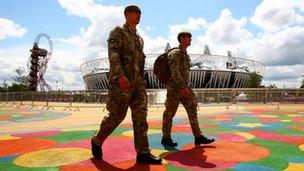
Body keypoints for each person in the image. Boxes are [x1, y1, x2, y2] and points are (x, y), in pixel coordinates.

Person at [91, 5, 162, 164]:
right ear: (127, 14)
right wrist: (120, 76)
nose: (139, 16)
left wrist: (142, 82)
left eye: (140, 14)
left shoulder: (139, 38)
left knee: (141, 118)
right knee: (117, 116)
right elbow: (113, 54)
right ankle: (97, 140)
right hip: (121, 83)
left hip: (137, 85)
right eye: (136, 13)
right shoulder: (118, 32)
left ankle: (143, 152)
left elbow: (141, 62)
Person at [161, 32, 215, 147]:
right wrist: (182, 87)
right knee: (169, 114)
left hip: (185, 88)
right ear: (181, 39)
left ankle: (198, 137)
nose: (190, 39)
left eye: (190, 37)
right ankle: (166, 138)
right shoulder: (175, 53)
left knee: (192, 111)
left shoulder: (185, 54)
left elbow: (185, 73)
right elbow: (174, 72)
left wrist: (186, 87)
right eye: (188, 37)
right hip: (175, 90)